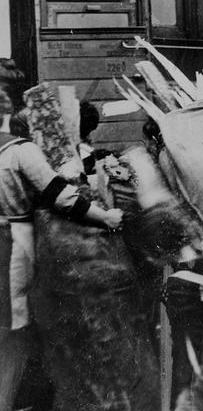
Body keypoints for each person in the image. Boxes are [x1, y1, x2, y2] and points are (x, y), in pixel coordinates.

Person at [0, 92, 123, 411]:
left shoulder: (10, 149)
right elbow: (61, 196)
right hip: (16, 239)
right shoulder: (22, 151)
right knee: (18, 327)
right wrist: (106, 217)